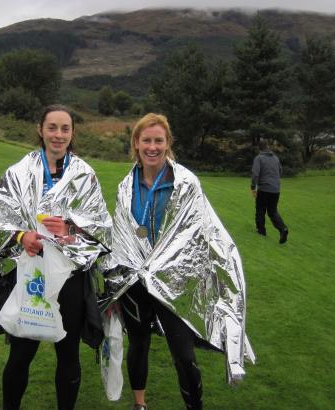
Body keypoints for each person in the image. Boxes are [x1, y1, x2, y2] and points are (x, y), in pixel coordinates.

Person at [103, 113, 254, 410]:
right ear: (136, 143)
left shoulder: (186, 184)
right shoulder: (125, 186)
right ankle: (139, 404)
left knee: (183, 354)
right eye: (146, 140)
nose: (152, 147)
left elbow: (202, 232)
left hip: (174, 282)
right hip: (134, 283)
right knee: (138, 344)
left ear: (168, 143)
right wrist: (113, 285)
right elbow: (119, 236)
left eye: (158, 141)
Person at [0, 105, 112, 410]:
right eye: (52, 127)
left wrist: (70, 229)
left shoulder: (84, 175)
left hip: (69, 279)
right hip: (32, 274)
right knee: (20, 353)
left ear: (72, 133)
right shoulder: (20, 171)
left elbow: (101, 227)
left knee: (68, 354)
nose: (58, 135)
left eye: (65, 128)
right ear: (40, 130)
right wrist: (21, 237)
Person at [250, 139, 289, 243]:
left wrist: (253, 186)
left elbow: (255, 174)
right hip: (276, 189)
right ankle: (283, 229)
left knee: (260, 209)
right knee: (272, 211)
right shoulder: (275, 158)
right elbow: (280, 171)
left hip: (264, 188)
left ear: (259, 148)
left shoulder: (259, 158)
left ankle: (261, 231)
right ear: (267, 146)